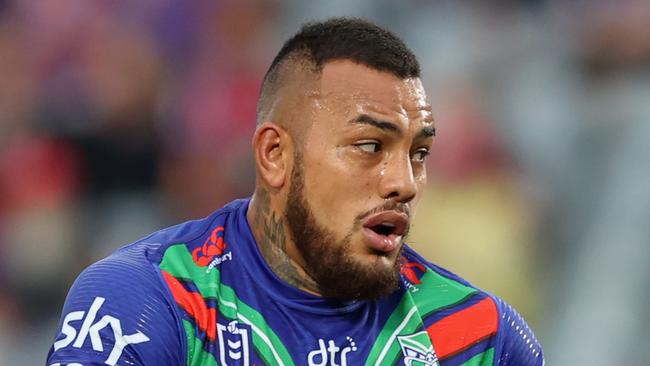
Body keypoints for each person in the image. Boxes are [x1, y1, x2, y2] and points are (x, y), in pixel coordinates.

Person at [46, 18, 543, 366]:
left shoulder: (480, 336)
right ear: (275, 156)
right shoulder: (152, 300)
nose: (404, 183)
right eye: (370, 146)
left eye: (419, 153)